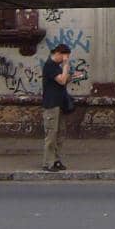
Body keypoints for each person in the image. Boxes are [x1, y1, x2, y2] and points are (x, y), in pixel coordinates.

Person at [41, 43, 72, 171]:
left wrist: (71, 76)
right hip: (51, 104)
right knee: (51, 135)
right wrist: (65, 66)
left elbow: (62, 80)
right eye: (65, 57)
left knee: (60, 134)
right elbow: (61, 80)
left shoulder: (56, 67)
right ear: (58, 53)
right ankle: (48, 163)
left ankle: (56, 160)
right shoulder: (50, 66)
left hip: (60, 104)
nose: (65, 60)